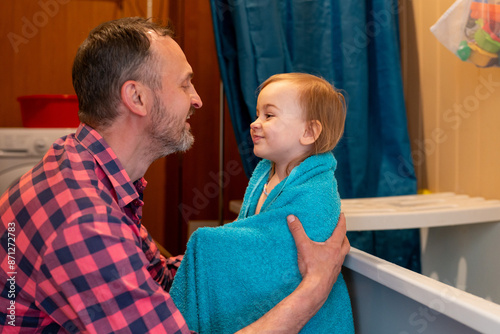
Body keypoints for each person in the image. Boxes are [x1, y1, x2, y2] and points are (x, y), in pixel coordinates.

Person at [0, 18, 350, 333]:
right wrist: (314, 288)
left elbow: (156, 277)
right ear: (136, 97)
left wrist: (225, 256)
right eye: (185, 85)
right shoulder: (85, 221)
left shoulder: (82, 167)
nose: (197, 100)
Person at [170, 73, 354, 333]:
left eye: (269, 115)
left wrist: (212, 246)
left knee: (205, 242)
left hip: (312, 319)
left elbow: (285, 250)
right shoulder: (264, 175)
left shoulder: (317, 189)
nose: (255, 123)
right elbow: (252, 231)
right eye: (257, 114)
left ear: (309, 131)